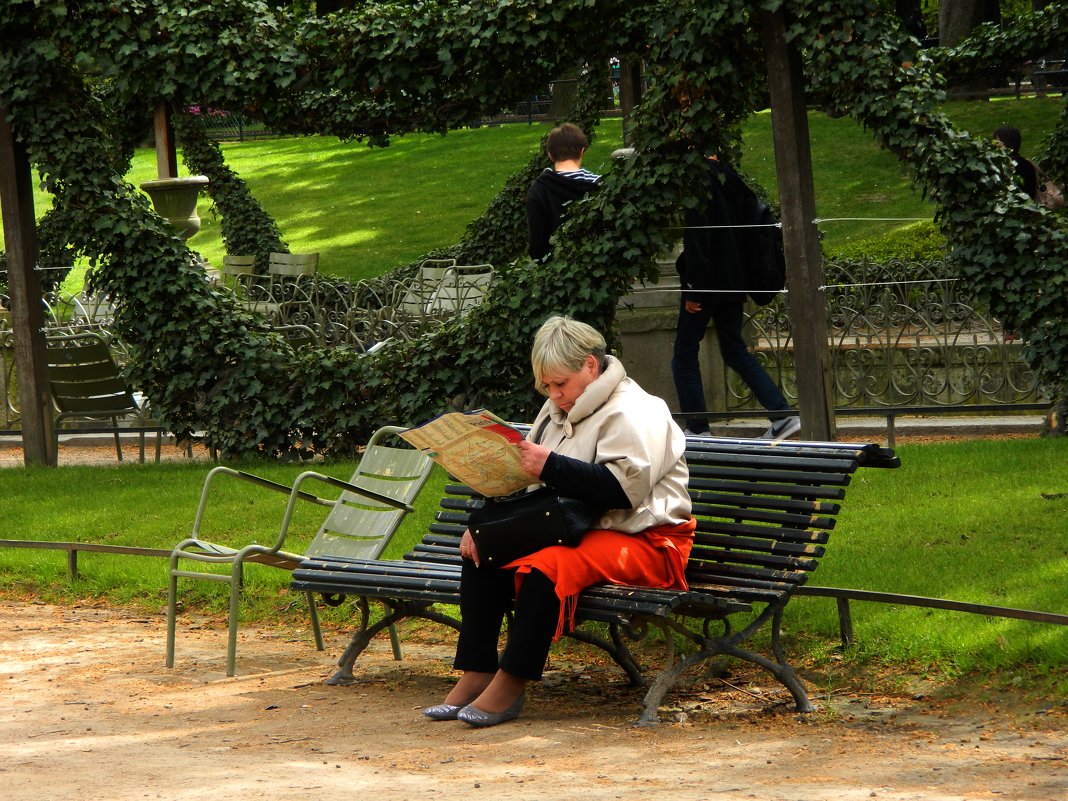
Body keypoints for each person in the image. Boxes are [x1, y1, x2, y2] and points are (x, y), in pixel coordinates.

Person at [424, 315, 695, 727]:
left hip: (647, 539)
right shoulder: (557, 409)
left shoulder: (637, 410)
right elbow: (533, 483)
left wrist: (550, 464)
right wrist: (489, 526)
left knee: (548, 567)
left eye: (560, 384)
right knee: (481, 551)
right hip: (575, 527)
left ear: (590, 365)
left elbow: (624, 492)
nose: (554, 395)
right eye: (546, 387)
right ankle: (477, 670)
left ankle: (510, 684)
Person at [671, 156, 801, 441]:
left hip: (706, 282)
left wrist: (692, 288)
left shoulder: (698, 178)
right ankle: (781, 413)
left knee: (684, 353)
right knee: (734, 349)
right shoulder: (729, 175)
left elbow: (698, 236)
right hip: (733, 279)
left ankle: (697, 427)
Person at [526, 123, 601, 262]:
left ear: (550, 155)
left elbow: (536, 244)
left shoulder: (538, 190)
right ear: (582, 151)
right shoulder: (599, 186)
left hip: (553, 271)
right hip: (596, 266)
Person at [993, 125, 1038, 201]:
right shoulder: (1024, 163)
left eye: (998, 143)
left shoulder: (1013, 166)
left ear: (1007, 144)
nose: (994, 146)